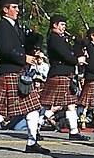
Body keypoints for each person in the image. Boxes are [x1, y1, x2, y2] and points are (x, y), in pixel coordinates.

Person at [0, 0, 52, 154]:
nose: (18, 10)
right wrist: (25, 57)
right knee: (4, 113)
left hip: (18, 72)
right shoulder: (3, 26)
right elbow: (6, 50)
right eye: (14, 7)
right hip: (9, 72)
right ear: (5, 9)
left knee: (32, 108)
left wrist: (34, 43)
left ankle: (32, 142)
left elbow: (22, 45)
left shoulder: (14, 26)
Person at [38, 14, 89, 142]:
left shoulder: (62, 39)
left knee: (70, 104)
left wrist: (79, 45)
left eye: (64, 25)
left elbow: (72, 52)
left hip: (65, 75)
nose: (64, 27)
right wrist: (77, 60)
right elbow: (66, 56)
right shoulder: (54, 39)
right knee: (49, 106)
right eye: (62, 25)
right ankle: (36, 126)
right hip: (58, 74)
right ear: (55, 25)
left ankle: (74, 131)